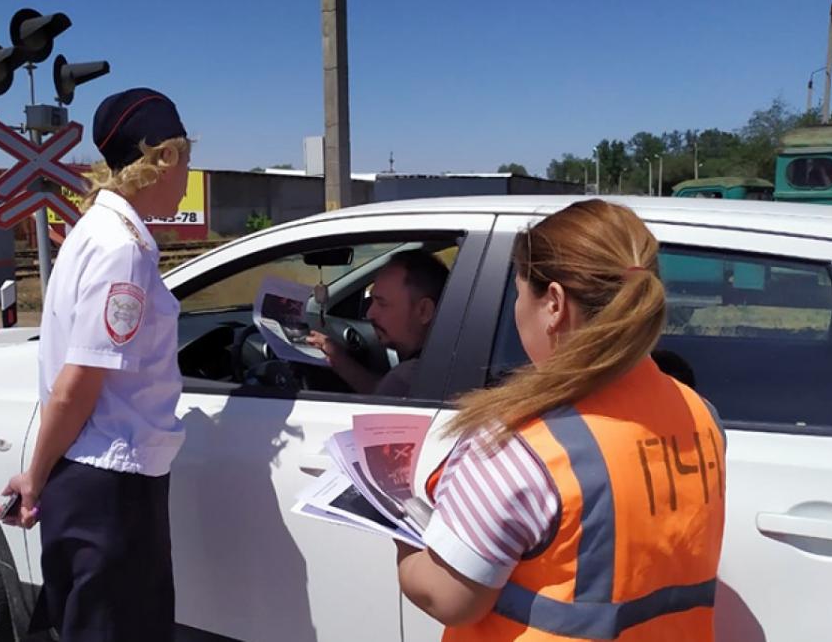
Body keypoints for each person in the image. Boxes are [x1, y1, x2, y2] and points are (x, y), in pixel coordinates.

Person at [397, 199, 726, 641]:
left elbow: (451, 598)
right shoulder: (699, 413)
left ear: (553, 304)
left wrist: (403, 537)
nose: (517, 311)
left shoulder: (522, 444)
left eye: (519, 293)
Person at [0, 87, 191, 641]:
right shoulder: (123, 247)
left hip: (98, 476)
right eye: (185, 159)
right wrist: (34, 477)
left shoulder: (96, 232)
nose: (186, 176)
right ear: (162, 160)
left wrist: (42, 476)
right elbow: (78, 383)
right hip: (111, 484)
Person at [306, 249, 449, 396]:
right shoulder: (445, 365)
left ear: (424, 311)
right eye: (372, 301)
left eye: (382, 304)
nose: (369, 314)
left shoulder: (406, 377)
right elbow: (381, 389)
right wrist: (339, 359)